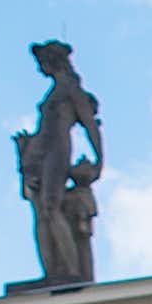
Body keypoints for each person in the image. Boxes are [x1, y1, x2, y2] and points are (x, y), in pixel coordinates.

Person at [13, 39, 103, 284]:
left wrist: (98, 161)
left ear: (53, 61)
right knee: (42, 213)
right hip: (38, 156)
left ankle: (70, 272)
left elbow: (90, 125)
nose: (39, 67)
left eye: (42, 61)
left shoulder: (71, 88)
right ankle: (51, 273)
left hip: (56, 152)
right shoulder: (56, 89)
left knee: (51, 207)